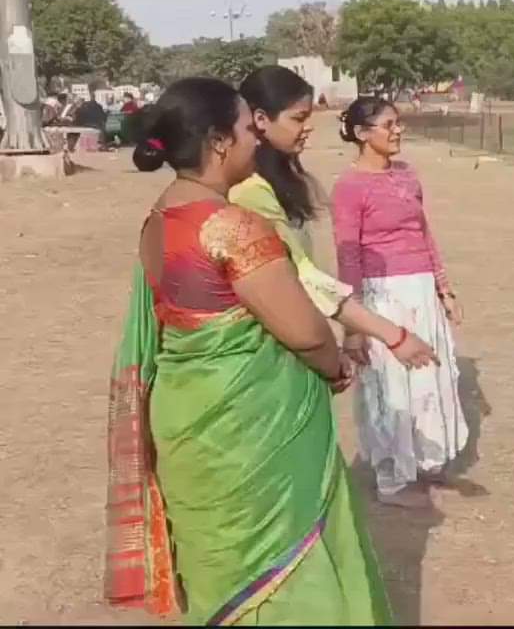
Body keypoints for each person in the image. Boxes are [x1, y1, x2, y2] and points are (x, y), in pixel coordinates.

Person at [104, 77, 393, 625]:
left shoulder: (158, 219)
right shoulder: (234, 227)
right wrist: (336, 366)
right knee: (281, 579)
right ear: (217, 142)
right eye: (244, 129)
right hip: (251, 435)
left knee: (220, 574)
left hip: (189, 426)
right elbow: (304, 331)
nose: (254, 140)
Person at [231, 69, 442, 499]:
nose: (308, 127)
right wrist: (387, 334)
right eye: (298, 118)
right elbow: (304, 276)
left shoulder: (281, 181)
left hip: (293, 331)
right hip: (266, 342)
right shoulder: (250, 192)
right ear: (260, 119)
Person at [331, 97, 470, 507]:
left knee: (429, 380)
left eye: (398, 123)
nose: (397, 131)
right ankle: (392, 478)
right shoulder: (349, 187)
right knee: (391, 386)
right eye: (388, 125)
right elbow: (348, 256)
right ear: (361, 134)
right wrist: (353, 327)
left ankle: (425, 463)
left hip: (421, 290)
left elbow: (424, 234)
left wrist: (444, 290)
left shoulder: (408, 176)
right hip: (382, 297)